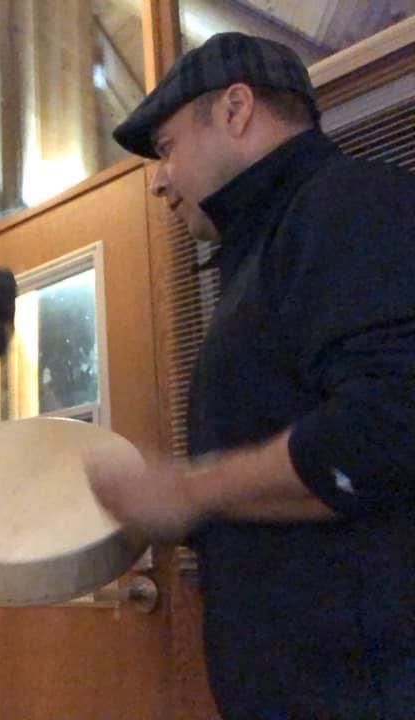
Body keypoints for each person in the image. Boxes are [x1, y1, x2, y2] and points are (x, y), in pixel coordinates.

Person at [86, 32, 415, 719]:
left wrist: (187, 490)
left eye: (167, 147)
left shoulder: (349, 206)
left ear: (236, 109)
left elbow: (383, 433)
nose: (158, 180)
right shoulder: (266, 250)